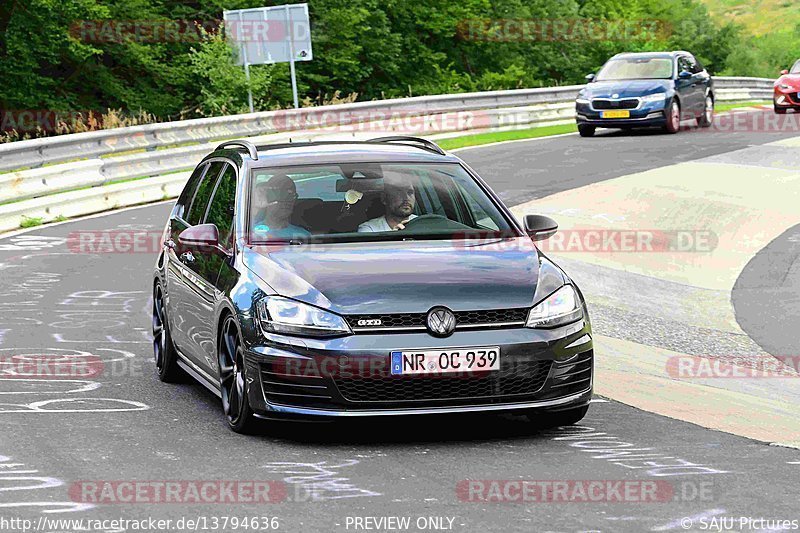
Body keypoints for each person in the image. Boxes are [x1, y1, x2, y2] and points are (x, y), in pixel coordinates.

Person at [251, 174, 311, 239]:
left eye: (291, 195)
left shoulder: (303, 236)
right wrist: (256, 208)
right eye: (281, 194)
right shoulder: (249, 233)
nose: (287, 201)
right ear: (268, 197)